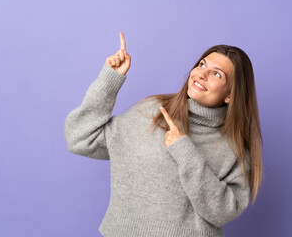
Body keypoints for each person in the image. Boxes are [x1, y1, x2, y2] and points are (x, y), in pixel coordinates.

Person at [64, 31, 264, 237]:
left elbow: (221, 212)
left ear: (230, 95)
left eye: (217, 74)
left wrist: (185, 152)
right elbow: (80, 139)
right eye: (202, 64)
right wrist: (109, 81)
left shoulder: (232, 147)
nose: (201, 74)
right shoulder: (151, 112)